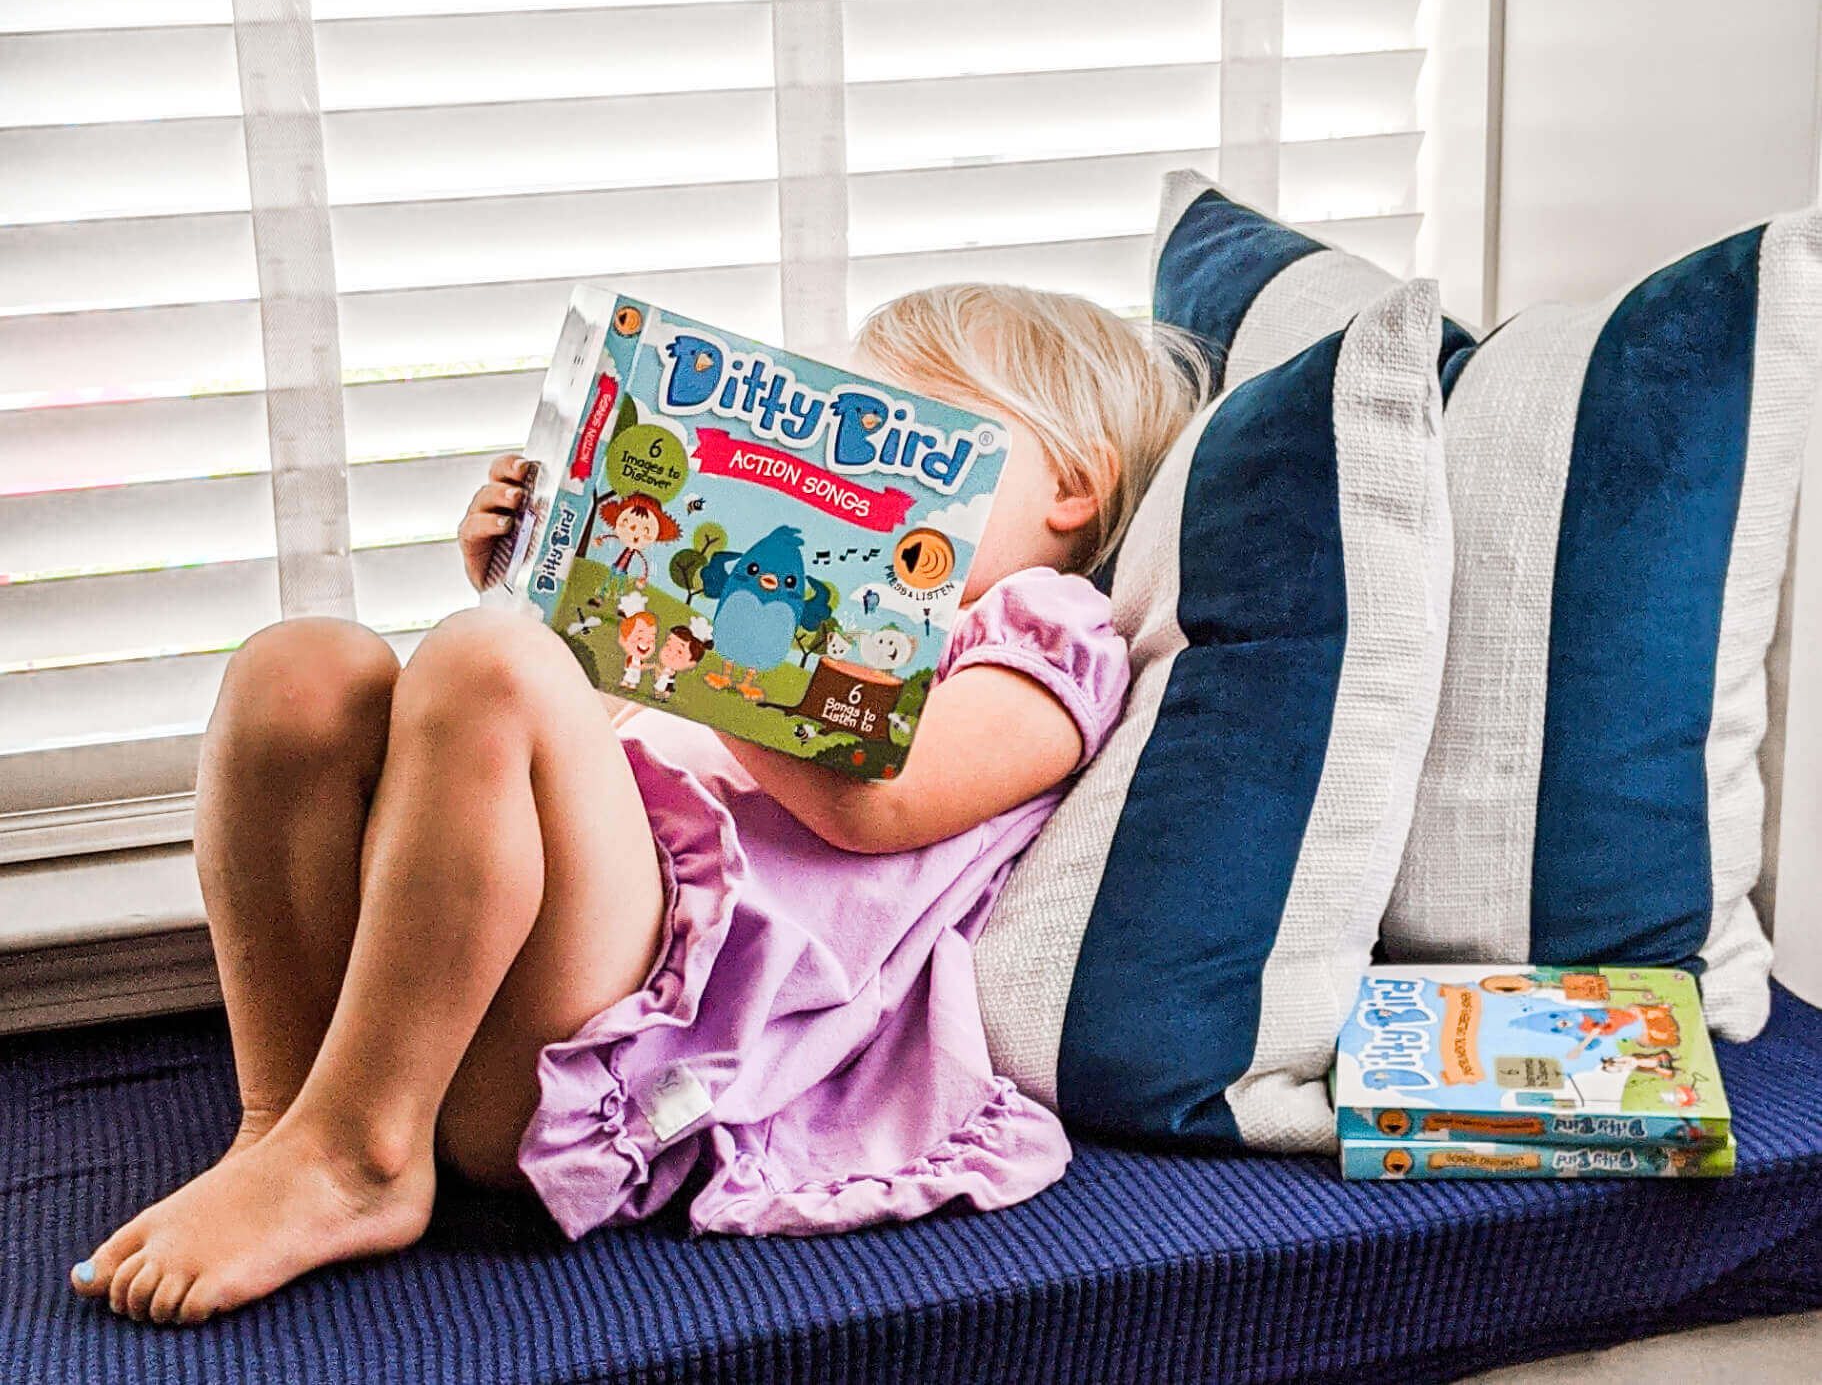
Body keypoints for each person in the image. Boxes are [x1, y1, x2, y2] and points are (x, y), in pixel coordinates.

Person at [69, 284, 1209, 1326]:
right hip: (476, 1000)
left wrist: (698, 641)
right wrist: (558, 579)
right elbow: (576, 766)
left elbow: (878, 807)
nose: (865, 497)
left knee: (493, 670)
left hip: (632, 1039)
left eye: (919, 449)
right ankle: (286, 1118)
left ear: (1072, 486)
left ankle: (358, 1156)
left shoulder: (1041, 630)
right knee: (300, 667)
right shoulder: (783, 618)